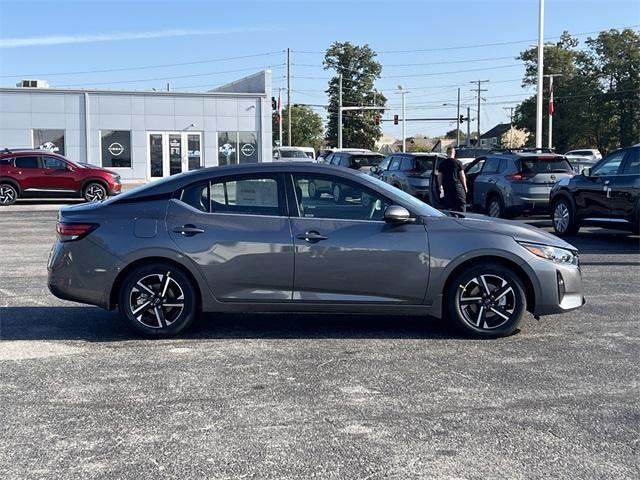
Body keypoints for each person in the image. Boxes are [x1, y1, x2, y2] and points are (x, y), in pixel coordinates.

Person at [437, 146, 468, 212]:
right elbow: (462, 176)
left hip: (447, 187)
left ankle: (450, 219)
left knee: (448, 205)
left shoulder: (442, 163)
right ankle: (462, 218)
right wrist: (465, 186)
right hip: (457, 186)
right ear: (454, 153)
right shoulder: (458, 163)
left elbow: (440, 176)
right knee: (461, 203)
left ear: (447, 153)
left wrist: (440, 186)